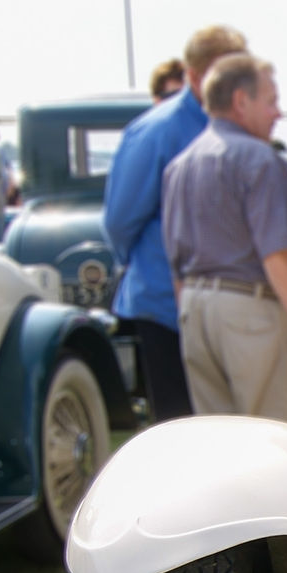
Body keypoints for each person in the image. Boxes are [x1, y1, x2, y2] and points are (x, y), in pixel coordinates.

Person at [162, 53, 287, 426]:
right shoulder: (260, 161)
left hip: (194, 309)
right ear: (240, 101)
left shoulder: (179, 166)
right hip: (252, 313)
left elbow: (174, 263)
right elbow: (278, 254)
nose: (277, 113)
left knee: (220, 442)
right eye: (271, 101)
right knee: (278, 437)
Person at [103, 25, 247, 422]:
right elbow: (120, 220)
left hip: (227, 304)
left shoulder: (234, 125)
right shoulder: (157, 131)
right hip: (168, 307)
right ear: (197, 76)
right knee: (179, 424)